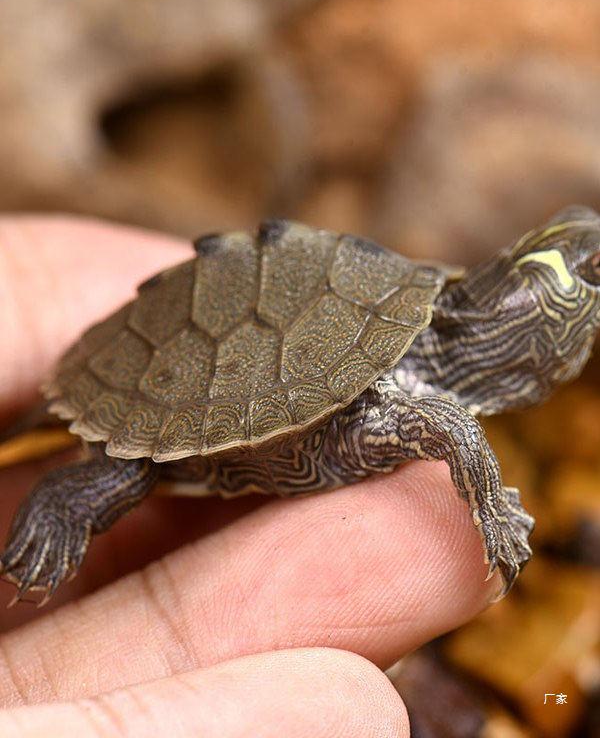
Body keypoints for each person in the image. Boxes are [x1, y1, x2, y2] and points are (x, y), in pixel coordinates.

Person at [0, 215, 500, 737]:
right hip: (179, 379)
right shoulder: (418, 341)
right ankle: (58, 504)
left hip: (264, 380)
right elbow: (447, 423)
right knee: (130, 468)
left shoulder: (426, 341)